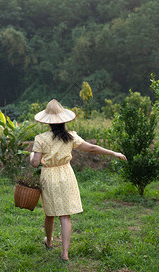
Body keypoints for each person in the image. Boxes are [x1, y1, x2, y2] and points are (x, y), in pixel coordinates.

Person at [30, 99, 126, 261]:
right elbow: (92, 148)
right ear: (64, 120)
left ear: (48, 122)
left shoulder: (41, 138)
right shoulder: (71, 137)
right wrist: (113, 153)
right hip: (66, 174)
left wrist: (32, 155)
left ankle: (49, 241)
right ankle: (65, 253)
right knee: (65, 215)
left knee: (50, 213)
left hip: (49, 176)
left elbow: (34, 163)